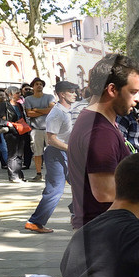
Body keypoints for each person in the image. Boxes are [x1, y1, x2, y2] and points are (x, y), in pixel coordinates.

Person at [68, 54, 139, 230]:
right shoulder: (99, 131)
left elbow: (112, 168)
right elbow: (105, 192)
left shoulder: (94, 120)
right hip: (105, 233)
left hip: (102, 230)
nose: (138, 99)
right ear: (112, 90)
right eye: (133, 92)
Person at [25, 80, 79, 233]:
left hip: (68, 153)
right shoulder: (56, 113)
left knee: (80, 185)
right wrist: (72, 149)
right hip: (56, 153)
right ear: (62, 94)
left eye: (75, 91)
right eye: (71, 91)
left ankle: (76, 215)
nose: (75, 94)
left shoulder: (71, 110)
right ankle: (35, 222)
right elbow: (51, 139)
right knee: (55, 189)